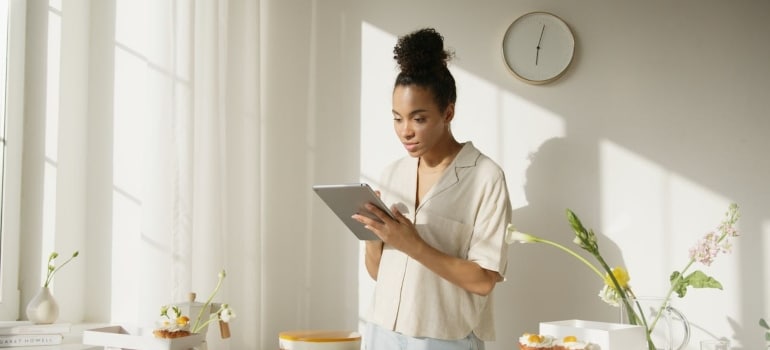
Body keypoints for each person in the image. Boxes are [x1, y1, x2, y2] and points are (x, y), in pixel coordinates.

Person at [351, 27, 513, 350]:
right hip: (382, 331)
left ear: (448, 112)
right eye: (397, 118)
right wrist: (373, 239)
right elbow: (378, 273)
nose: (405, 131)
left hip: (445, 337)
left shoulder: (485, 177)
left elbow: (484, 280)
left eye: (418, 119)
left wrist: (412, 244)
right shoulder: (392, 174)